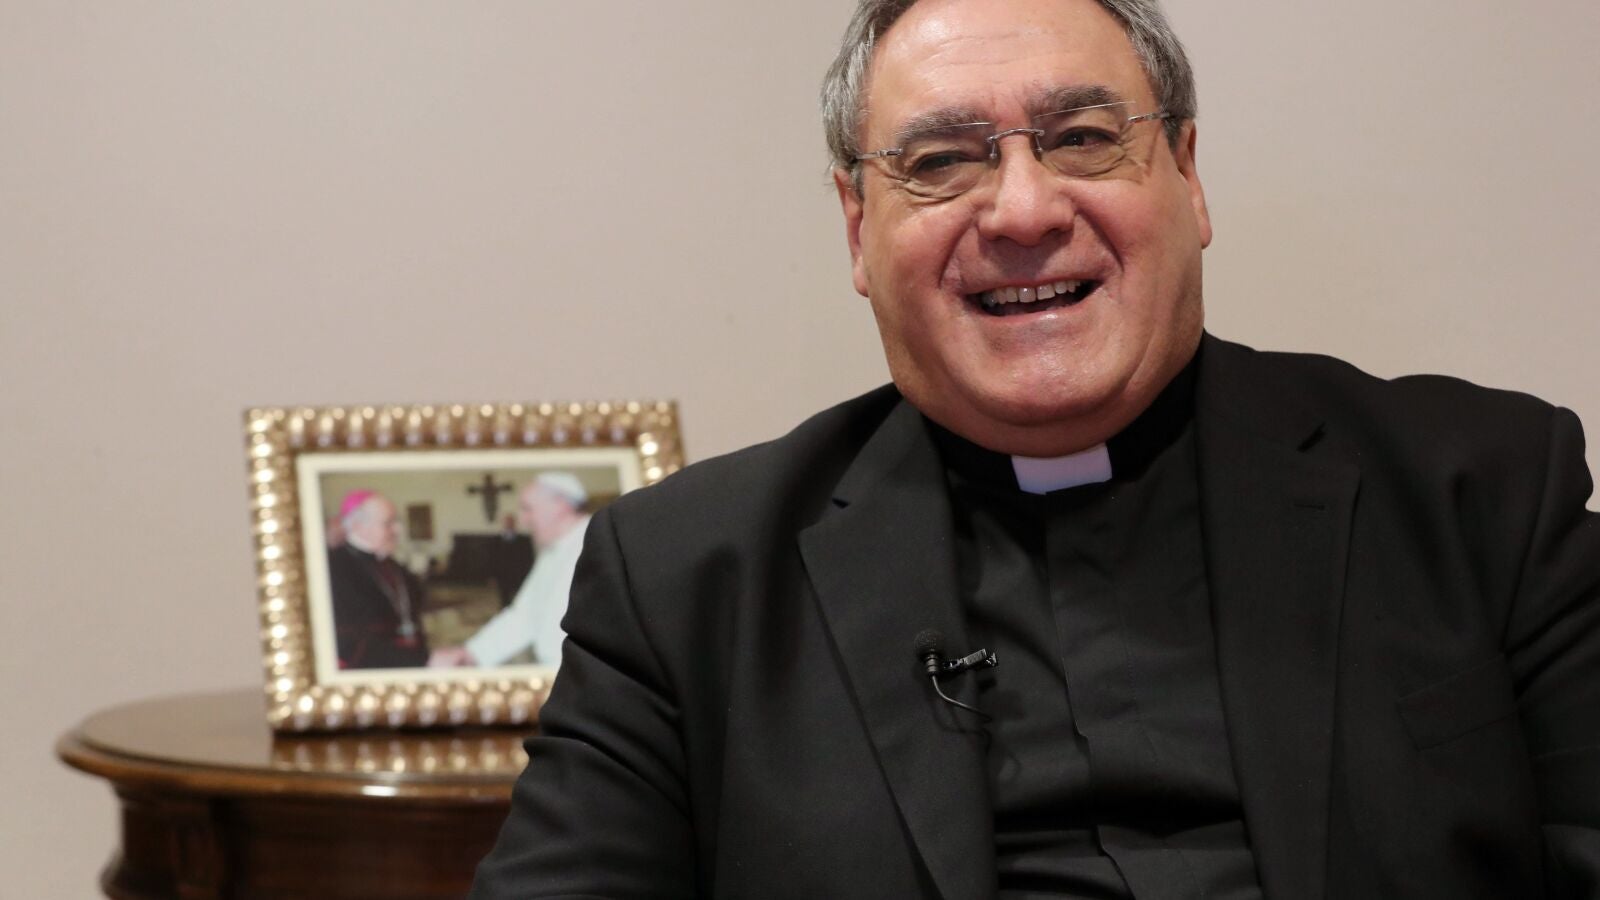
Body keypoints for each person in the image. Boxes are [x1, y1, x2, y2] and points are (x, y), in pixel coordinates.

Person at [470, 0, 1600, 896]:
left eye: (1083, 139)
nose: (1022, 211)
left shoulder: (1479, 494)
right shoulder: (685, 584)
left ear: (1188, 175)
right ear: (858, 229)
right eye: (939, 162)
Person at [430, 473, 592, 670]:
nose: (523, 520)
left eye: (528, 509)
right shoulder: (554, 551)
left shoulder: (602, 547)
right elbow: (524, 615)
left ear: (560, 505)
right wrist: (470, 653)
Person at [326, 489, 430, 669]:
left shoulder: (394, 565)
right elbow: (347, 642)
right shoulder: (334, 568)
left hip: (411, 661)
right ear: (358, 526)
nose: (398, 530)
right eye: (388, 523)